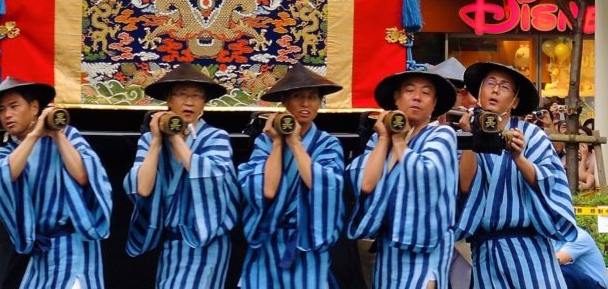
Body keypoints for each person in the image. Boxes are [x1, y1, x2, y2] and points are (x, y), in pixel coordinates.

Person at [0, 76, 112, 289]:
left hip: (74, 248)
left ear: (34, 108)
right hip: (42, 255)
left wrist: (57, 135)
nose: (7, 115)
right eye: (2, 110)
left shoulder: (68, 135)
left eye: (14, 106)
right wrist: (34, 135)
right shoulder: (7, 151)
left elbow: (83, 175)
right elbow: (3, 177)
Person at [457, 62, 577, 289]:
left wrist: (519, 158)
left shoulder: (534, 135)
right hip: (486, 253)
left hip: (529, 250)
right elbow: (465, 188)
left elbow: (550, 183)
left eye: (504, 87)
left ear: (515, 101)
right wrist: (469, 138)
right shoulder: (464, 134)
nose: (495, 90)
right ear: (479, 92)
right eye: (490, 83)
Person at [124, 62, 239, 289]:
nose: (189, 102)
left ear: (204, 103)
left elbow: (214, 180)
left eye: (196, 96)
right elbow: (141, 188)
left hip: (205, 239)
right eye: (182, 95)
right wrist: (156, 140)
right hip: (172, 244)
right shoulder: (150, 140)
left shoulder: (216, 137)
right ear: (169, 100)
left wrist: (177, 138)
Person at [347, 69, 458, 289]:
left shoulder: (442, 135)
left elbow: (425, 175)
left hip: (426, 249)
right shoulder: (380, 141)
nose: (417, 97)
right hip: (389, 248)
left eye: (426, 93)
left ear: (434, 104)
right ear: (397, 99)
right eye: (409, 91)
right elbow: (365, 184)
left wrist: (399, 142)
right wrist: (385, 138)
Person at [238, 63, 344, 288]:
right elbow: (266, 190)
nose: (306, 103)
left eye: (312, 97)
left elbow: (324, 186)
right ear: (285, 102)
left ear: (319, 102)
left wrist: (294, 141)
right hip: (269, 242)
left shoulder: (328, 144)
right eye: (298, 97)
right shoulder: (265, 141)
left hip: (309, 242)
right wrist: (278, 142)